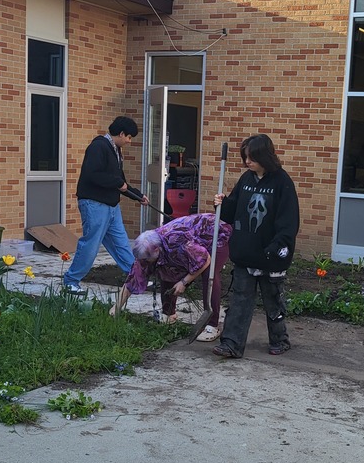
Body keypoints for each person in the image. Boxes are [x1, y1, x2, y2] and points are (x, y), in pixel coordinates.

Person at [211, 134, 300, 359]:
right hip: (246, 253)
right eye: (245, 158)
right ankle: (231, 344)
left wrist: (277, 247)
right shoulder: (246, 179)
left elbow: (289, 222)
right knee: (240, 300)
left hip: (271, 255)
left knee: (273, 301)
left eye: (251, 158)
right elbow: (232, 213)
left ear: (265, 157)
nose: (247, 162)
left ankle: (280, 340)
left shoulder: (282, 182)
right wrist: (222, 204)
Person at [113, 213, 233, 340]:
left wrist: (184, 282)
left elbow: (204, 260)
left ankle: (212, 325)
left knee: (209, 274)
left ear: (156, 250)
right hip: (193, 240)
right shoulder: (147, 247)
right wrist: (116, 308)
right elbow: (134, 278)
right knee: (166, 269)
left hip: (215, 234)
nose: (145, 262)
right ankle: (169, 314)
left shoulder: (178, 241)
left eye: (147, 259)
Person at [63, 116, 148, 294]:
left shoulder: (115, 149)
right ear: (121, 133)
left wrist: (138, 196)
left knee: (121, 243)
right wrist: (117, 183)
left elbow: (121, 181)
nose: (129, 141)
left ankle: (136, 278)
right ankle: (71, 281)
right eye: (129, 137)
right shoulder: (98, 146)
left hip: (111, 206)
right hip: (94, 204)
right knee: (91, 244)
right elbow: (93, 174)